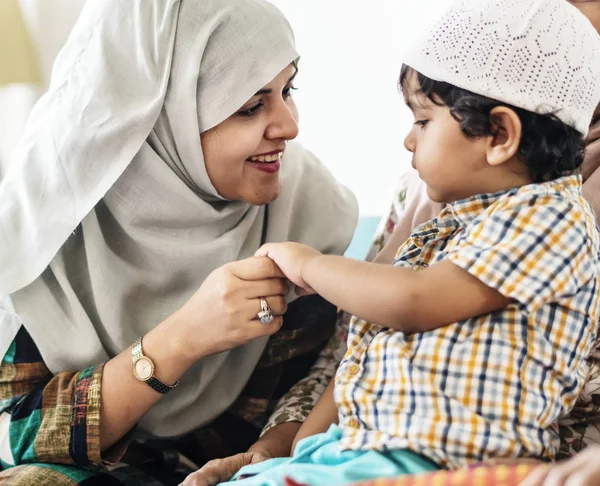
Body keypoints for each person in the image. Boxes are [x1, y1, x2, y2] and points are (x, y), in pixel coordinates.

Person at [183, 0, 600, 484]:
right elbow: (366, 347)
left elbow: (409, 301)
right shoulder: (457, 215)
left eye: (423, 122)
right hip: (373, 444)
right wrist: (291, 450)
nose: (408, 140)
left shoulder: (549, 219)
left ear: (500, 134)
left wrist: (311, 266)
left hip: (439, 456)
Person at [0, 0, 358, 484]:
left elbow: (325, 381)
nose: (290, 126)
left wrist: (270, 449)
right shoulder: (45, 223)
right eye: (251, 106)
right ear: (161, 115)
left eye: (287, 89)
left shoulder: (307, 208)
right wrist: (184, 336)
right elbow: (18, 433)